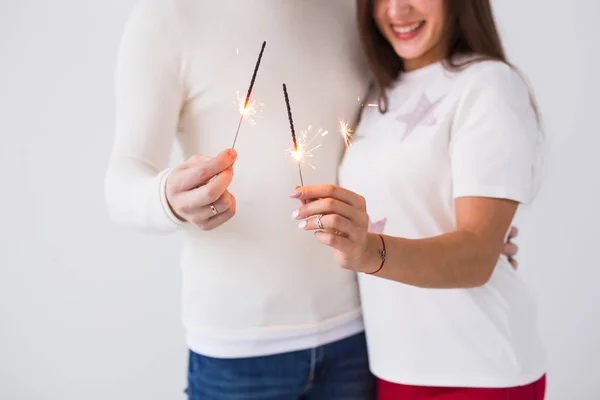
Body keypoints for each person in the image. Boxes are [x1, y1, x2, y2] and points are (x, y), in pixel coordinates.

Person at [104, 0, 521, 398]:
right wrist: (168, 199)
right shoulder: (169, 16)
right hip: (238, 351)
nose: (397, 7)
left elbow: (397, 143)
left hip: (361, 342)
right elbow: (121, 183)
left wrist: (470, 236)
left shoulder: (359, 14)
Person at [291, 0, 546, 399]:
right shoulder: (378, 93)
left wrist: (368, 251)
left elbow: (477, 257)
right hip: (394, 367)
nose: (397, 10)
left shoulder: (489, 84)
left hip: (479, 370)